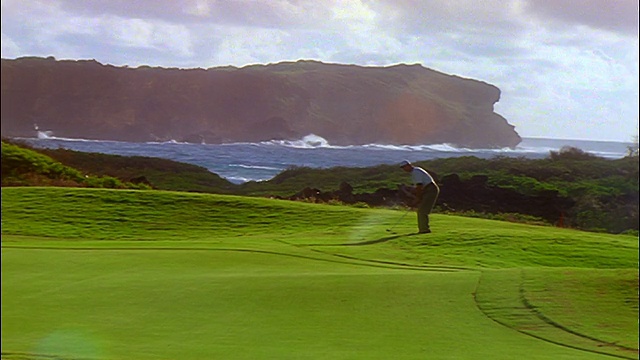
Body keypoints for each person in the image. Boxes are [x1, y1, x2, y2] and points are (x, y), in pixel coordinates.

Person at [399, 160, 440, 234]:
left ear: (409, 165)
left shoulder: (416, 172)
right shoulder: (414, 172)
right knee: (421, 210)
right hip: (427, 190)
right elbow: (417, 188)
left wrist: (418, 198)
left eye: (405, 167)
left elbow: (419, 186)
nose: (404, 169)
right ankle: (424, 229)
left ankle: (424, 230)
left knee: (422, 211)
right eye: (402, 168)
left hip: (430, 189)